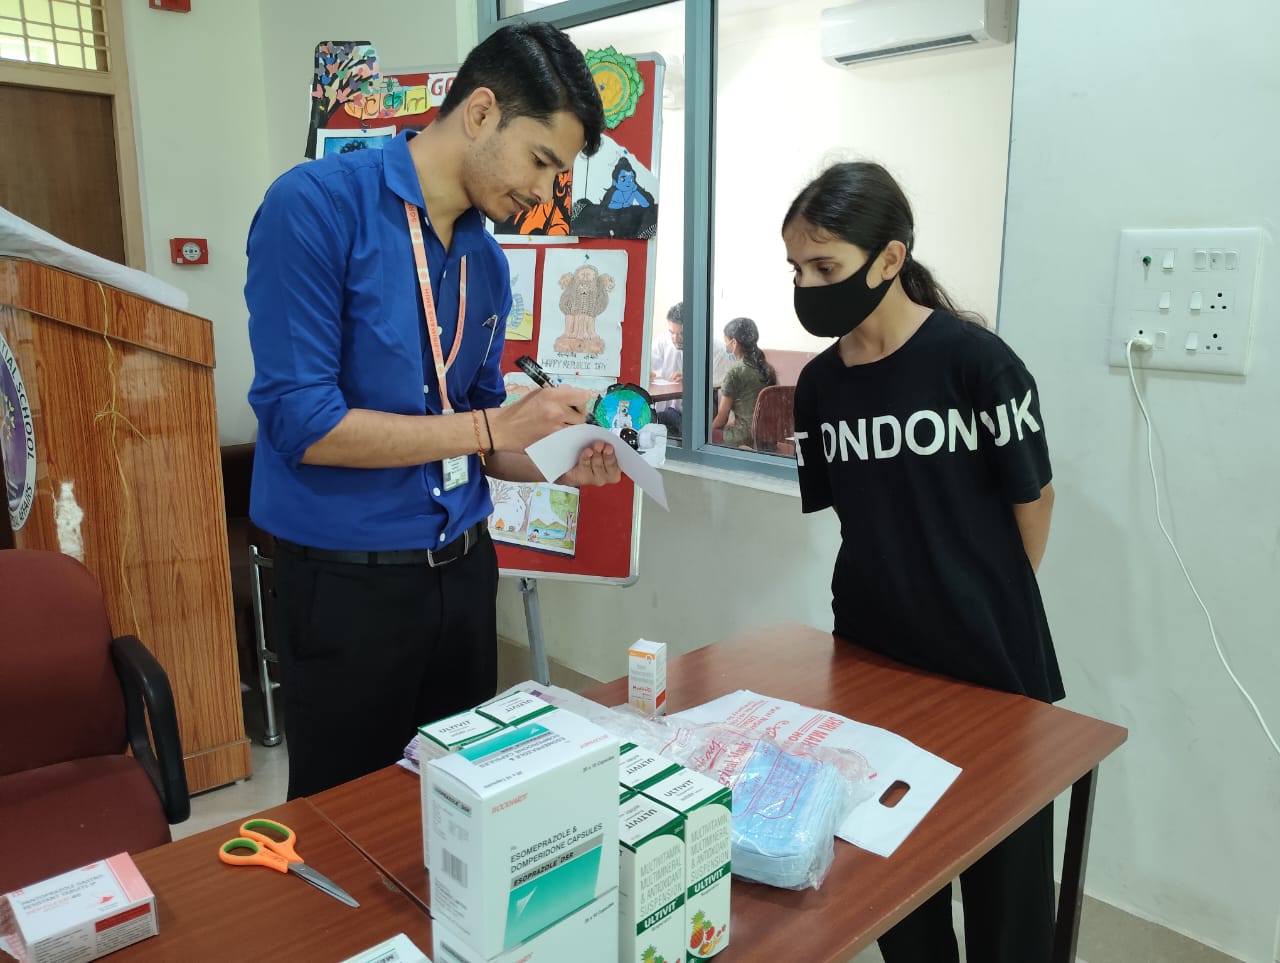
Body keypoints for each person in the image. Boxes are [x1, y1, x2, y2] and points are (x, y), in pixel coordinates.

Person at [244, 22, 620, 799]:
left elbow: (481, 436)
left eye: (559, 173)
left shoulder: (485, 261)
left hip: (463, 576)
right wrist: (491, 426)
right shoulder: (315, 207)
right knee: (348, 821)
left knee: (461, 811)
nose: (546, 191)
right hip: (349, 587)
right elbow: (303, 423)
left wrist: (559, 459)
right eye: (541, 161)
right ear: (480, 112)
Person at [783, 161, 1060, 963]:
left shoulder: (977, 363)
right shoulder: (818, 387)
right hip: (872, 662)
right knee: (896, 884)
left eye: (825, 266)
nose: (807, 286)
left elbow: (1035, 500)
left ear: (890, 259)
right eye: (796, 269)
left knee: (1009, 903)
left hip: (992, 665)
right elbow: (857, 515)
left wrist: (983, 598)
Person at [711, 317, 776, 448]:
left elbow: (722, 418)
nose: (725, 347)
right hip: (767, 439)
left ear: (734, 343)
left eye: (726, 342)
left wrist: (705, 431)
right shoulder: (767, 368)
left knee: (704, 436)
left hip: (744, 438)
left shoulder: (734, 373)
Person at [650, 300, 683, 437]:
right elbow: (646, 363)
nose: (675, 338)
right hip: (666, 409)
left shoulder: (712, 349)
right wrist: (645, 371)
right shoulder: (663, 342)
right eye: (672, 332)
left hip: (687, 414)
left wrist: (691, 378)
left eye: (681, 333)